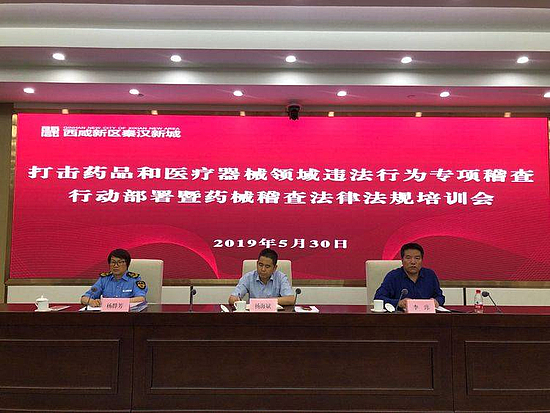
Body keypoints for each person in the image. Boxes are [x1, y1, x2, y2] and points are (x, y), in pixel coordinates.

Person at [374, 242, 444, 310]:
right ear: (402, 260)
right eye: (408, 258)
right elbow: (378, 298)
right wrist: (399, 303)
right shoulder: (393, 276)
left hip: (426, 315)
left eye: (417, 258)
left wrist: (436, 301)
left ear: (422, 260)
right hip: (401, 316)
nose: (413, 262)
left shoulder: (430, 275)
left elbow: (440, 297)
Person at [80, 249, 148, 307]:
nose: (115, 265)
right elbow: (84, 298)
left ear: (127, 264)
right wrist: (91, 301)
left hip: (128, 315)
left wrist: (115, 302)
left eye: (119, 262)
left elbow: (141, 299)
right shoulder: (104, 279)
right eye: (113, 262)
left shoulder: (134, 280)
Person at [229, 248, 294, 306]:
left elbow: (291, 300)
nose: (263, 269)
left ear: (274, 268)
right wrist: (236, 300)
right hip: (253, 314)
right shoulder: (248, 277)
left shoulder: (281, 278)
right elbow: (232, 299)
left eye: (267, 266)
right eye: (260, 265)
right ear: (257, 263)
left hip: (275, 314)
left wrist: (263, 302)